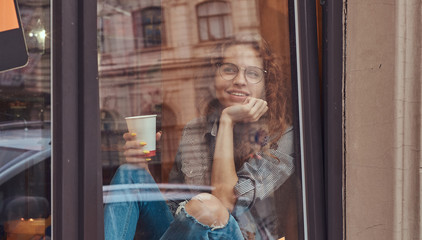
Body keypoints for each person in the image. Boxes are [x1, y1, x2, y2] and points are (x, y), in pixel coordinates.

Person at [104, 33, 295, 240]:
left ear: (266, 84)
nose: (240, 80)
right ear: (213, 76)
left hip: (237, 235)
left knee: (208, 206)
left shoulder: (282, 136)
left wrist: (227, 121)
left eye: (253, 73)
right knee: (129, 174)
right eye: (229, 69)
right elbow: (176, 210)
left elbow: (224, 203)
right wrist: (143, 169)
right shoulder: (195, 130)